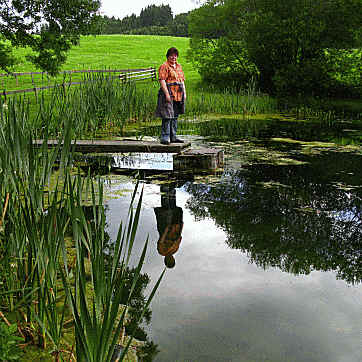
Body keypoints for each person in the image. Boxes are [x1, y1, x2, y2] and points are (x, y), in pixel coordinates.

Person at [155, 47, 186, 145]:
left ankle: (173, 136)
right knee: (167, 115)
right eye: (171, 55)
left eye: (175, 56)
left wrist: (184, 93)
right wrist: (167, 94)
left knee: (175, 115)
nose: (174, 57)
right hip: (168, 92)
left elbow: (182, 80)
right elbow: (162, 80)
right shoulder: (164, 66)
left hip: (178, 93)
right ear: (168, 56)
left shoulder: (179, 66)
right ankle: (165, 137)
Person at [154, 184, 183, 268]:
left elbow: (161, 241)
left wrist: (166, 229)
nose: (171, 259)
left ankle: (164, 187)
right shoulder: (175, 250)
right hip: (175, 227)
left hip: (165, 227)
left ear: (166, 260)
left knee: (166, 207)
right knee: (173, 207)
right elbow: (179, 237)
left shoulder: (162, 251)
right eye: (172, 260)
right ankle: (172, 187)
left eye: (170, 260)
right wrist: (181, 225)